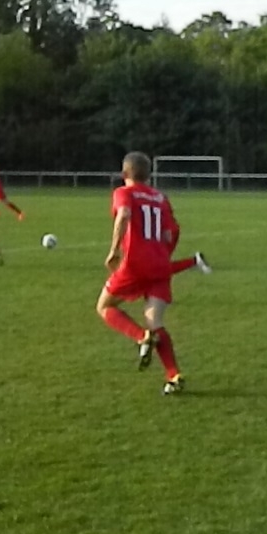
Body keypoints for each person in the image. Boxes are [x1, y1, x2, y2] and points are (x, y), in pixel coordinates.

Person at [95, 151, 186, 395]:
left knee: (104, 306)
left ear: (124, 173)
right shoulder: (161, 197)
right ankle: (174, 375)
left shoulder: (123, 193)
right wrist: (160, 255)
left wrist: (114, 250)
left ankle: (141, 336)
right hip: (160, 264)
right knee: (156, 321)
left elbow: (124, 214)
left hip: (135, 264)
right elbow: (169, 233)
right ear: (149, 174)